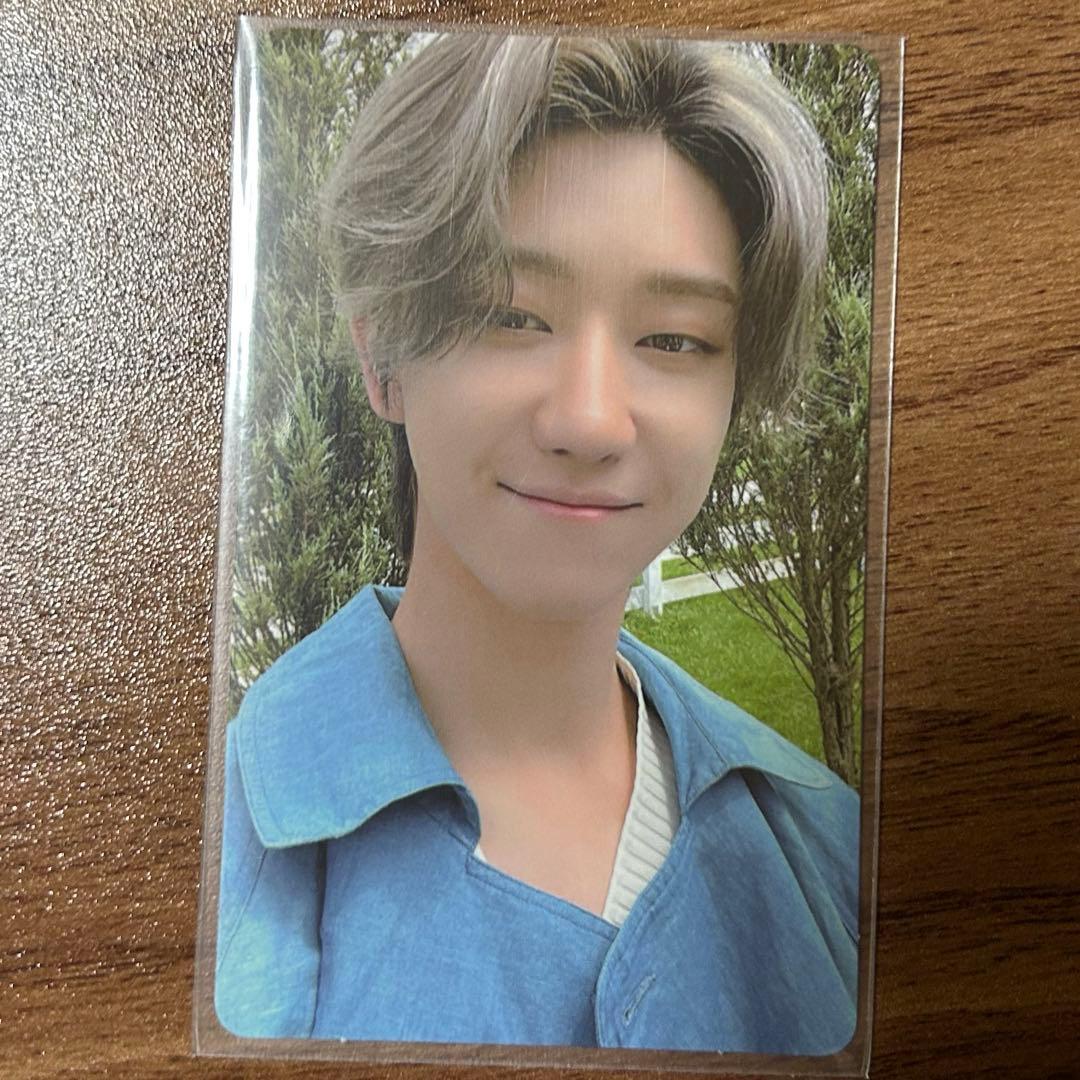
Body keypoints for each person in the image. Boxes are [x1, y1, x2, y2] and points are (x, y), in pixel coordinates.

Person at [214, 31, 860, 1055]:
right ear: (383, 357)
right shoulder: (203, 859)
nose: (591, 421)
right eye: (511, 316)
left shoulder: (830, 848)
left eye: (675, 338)